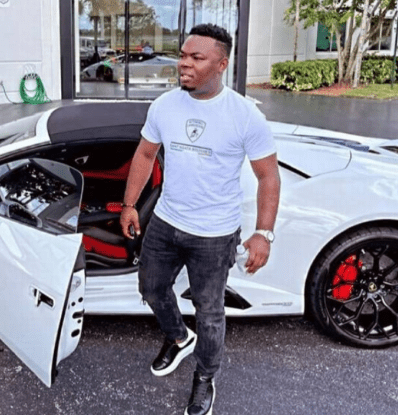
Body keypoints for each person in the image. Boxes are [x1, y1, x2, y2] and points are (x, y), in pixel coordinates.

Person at [120, 23, 280, 415]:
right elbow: (145, 155)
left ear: (221, 64)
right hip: (166, 222)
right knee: (151, 289)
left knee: (209, 314)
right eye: (183, 55)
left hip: (214, 234)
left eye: (196, 58)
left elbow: (268, 176)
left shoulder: (244, 115)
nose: (184, 64)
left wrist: (264, 233)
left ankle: (205, 376)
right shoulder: (165, 106)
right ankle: (178, 338)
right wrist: (129, 204)